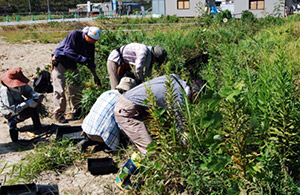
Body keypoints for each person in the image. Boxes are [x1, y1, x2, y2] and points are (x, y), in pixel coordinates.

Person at [113, 74, 206, 190]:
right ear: (196, 95)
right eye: (199, 101)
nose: (197, 105)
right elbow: (182, 130)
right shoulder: (178, 98)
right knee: (149, 149)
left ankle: (148, 169)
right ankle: (121, 178)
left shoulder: (176, 81)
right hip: (127, 111)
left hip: (136, 106)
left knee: (160, 138)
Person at [51, 26, 101, 123]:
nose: (93, 42)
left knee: (76, 87)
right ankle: (59, 113)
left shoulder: (91, 45)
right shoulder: (75, 35)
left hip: (72, 63)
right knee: (59, 89)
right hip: (60, 61)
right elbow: (67, 51)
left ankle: (77, 111)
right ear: (86, 35)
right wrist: (82, 59)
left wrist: (95, 76)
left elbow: (91, 62)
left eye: (95, 40)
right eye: (92, 39)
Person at [77, 77, 137, 151]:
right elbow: (122, 125)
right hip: (102, 135)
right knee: (122, 136)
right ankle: (107, 147)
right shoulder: (124, 101)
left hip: (87, 130)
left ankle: (88, 141)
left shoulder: (107, 93)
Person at [0, 67, 44, 142]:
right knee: (16, 118)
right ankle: (13, 124)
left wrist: (35, 96)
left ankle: (38, 126)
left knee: (35, 106)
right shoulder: (5, 91)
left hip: (20, 104)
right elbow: (12, 109)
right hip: (10, 111)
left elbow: (29, 91)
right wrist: (27, 103)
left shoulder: (21, 84)